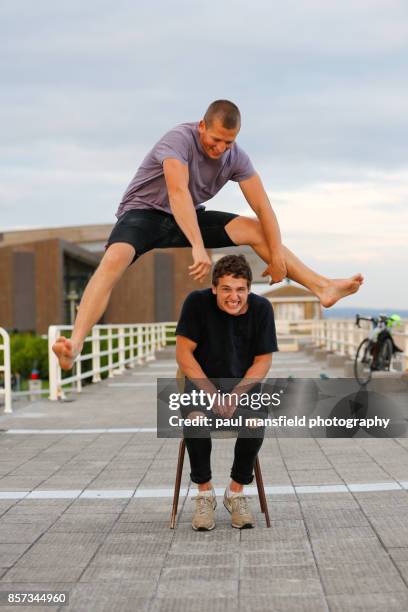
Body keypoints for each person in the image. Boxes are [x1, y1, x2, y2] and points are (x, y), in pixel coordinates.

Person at [53, 99, 363, 370]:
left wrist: (278, 255)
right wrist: (198, 247)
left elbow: (263, 208)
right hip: (144, 214)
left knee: (254, 229)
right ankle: (75, 346)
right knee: (114, 259)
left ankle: (322, 287)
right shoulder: (178, 139)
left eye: (228, 143)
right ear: (202, 126)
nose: (220, 149)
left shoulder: (235, 156)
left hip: (188, 217)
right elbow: (177, 193)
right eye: (215, 140)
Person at [175, 254, 278, 530]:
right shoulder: (196, 304)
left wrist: (235, 396)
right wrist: (211, 393)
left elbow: (263, 361)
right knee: (195, 420)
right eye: (227, 289)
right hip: (201, 386)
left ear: (249, 289)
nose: (234, 297)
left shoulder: (262, 308)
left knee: (256, 422)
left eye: (241, 289)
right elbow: (184, 355)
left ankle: (235, 493)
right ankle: (205, 495)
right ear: (214, 288)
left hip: (242, 389)